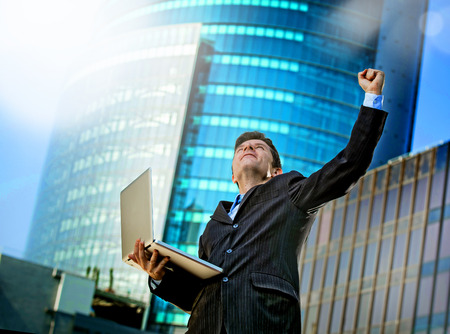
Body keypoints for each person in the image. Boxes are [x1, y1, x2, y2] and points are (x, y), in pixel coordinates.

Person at [129, 69, 388, 333]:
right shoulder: (212, 228)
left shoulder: (290, 192)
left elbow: (349, 165)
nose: (247, 148)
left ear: (276, 172)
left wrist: (372, 97)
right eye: (241, 149)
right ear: (233, 175)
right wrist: (160, 277)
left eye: (258, 147)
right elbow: (198, 298)